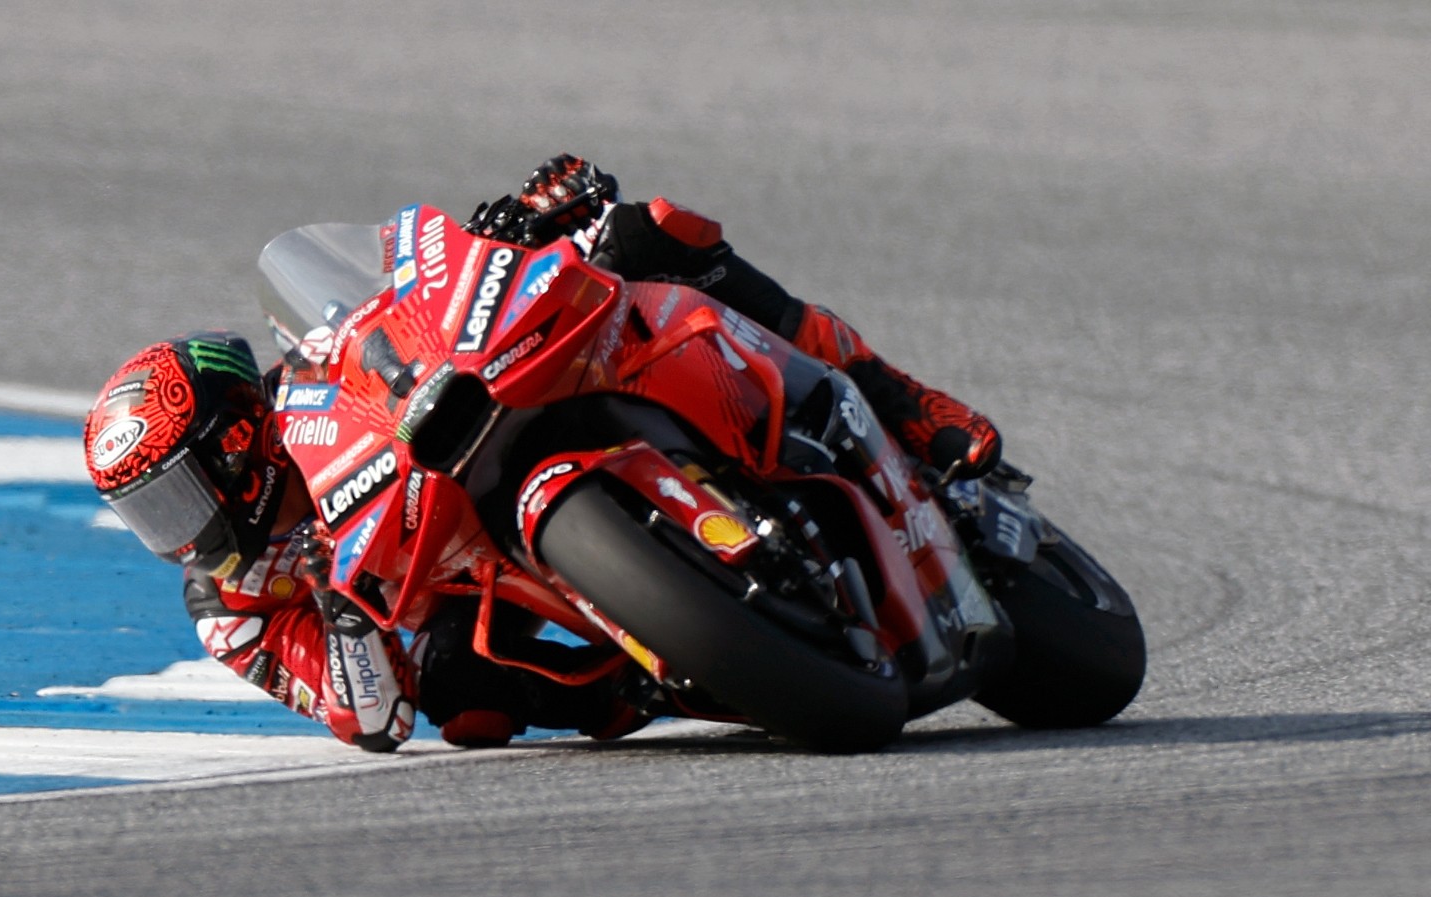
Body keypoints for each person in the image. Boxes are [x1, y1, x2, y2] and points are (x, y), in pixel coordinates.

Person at [82, 154, 1002, 753]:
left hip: (483, 438)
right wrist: (340, 599)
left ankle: (902, 400)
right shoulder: (231, 609)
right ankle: (658, 676)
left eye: (177, 495)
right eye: (148, 513)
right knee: (462, 697)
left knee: (653, 235)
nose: (176, 532)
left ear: (237, 444)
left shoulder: (313, 381)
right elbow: (372, 716)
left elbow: (407, 301)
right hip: (462, 578)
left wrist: (519, 222)